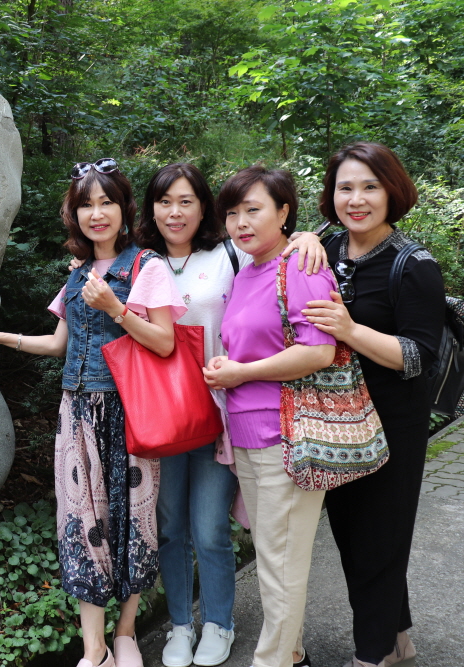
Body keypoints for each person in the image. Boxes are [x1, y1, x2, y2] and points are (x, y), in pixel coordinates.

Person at [0, 158, 186, 667]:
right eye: (86, 205)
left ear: (124, 208)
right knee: (82, 522)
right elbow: (58, 343)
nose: (97, 213)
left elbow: (165, 342)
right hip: (77, 414)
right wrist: (0, 337)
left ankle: (126, 632)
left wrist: (116, 308)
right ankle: (95, 649)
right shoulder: (77, 275)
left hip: (130, 412)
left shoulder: (147, 267)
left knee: (132, 521)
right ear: (74, 215)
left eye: (107, 201)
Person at [125, 164, 326, 667]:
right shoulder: (138, 262)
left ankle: (219, 621)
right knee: (169, 527)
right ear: (151, 209)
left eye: (187, 201)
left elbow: (276, 255)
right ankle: (180, 625)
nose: (175, 212)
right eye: (164, 201)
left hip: (221, 413)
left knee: (210, 527)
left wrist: (305, 236)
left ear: (203, 208)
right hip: (160, 416)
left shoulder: (230, 253)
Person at [302, 142, 444, 667]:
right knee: (352, 537)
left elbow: (418, 356)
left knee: (379, 541)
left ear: (392, 192)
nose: (356, 199)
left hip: (393, 422)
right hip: (337, 421)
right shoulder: (326, 246)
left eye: (370, 187)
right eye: (345, 188)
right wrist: (301, 238)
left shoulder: (414, 265)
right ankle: (398, 639)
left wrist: (350, 329)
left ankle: (373, 653)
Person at [203, 166, 338, 667]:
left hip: (287, 435)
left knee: (280, 567)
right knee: (273, 561)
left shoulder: (301, 265)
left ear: (283, 212)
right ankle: (293, 653)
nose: (240, 222)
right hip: (248, 437)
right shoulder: (246, 273)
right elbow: (252, 347)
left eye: (253, 210)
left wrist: (241, 372)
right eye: (232, 213)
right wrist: (229, 367)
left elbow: (318, 351)